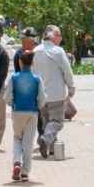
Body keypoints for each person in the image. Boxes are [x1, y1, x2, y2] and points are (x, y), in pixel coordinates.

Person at [34, 25, 76, 159]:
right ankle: (45, 140)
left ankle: (51, 150)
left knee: (47, 122)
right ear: (54, 37)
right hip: (56, 94)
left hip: (40, 94)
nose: (61, 38)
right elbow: (67, 71)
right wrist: (71, 87)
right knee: (57, 122)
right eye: (60, 36)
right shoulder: (58, 51)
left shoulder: (35, 51)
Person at [1, 48, 42, 182]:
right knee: (28, 142)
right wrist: (38, 106)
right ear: (32, 63)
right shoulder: (37, 79)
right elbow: (42, 97)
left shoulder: (14, 78)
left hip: (17, 111)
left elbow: (6, 96)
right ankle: (25, 172)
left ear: (19, 61)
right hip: (32, 111)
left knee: (17, 137)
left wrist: (12, 103)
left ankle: (17, 161)